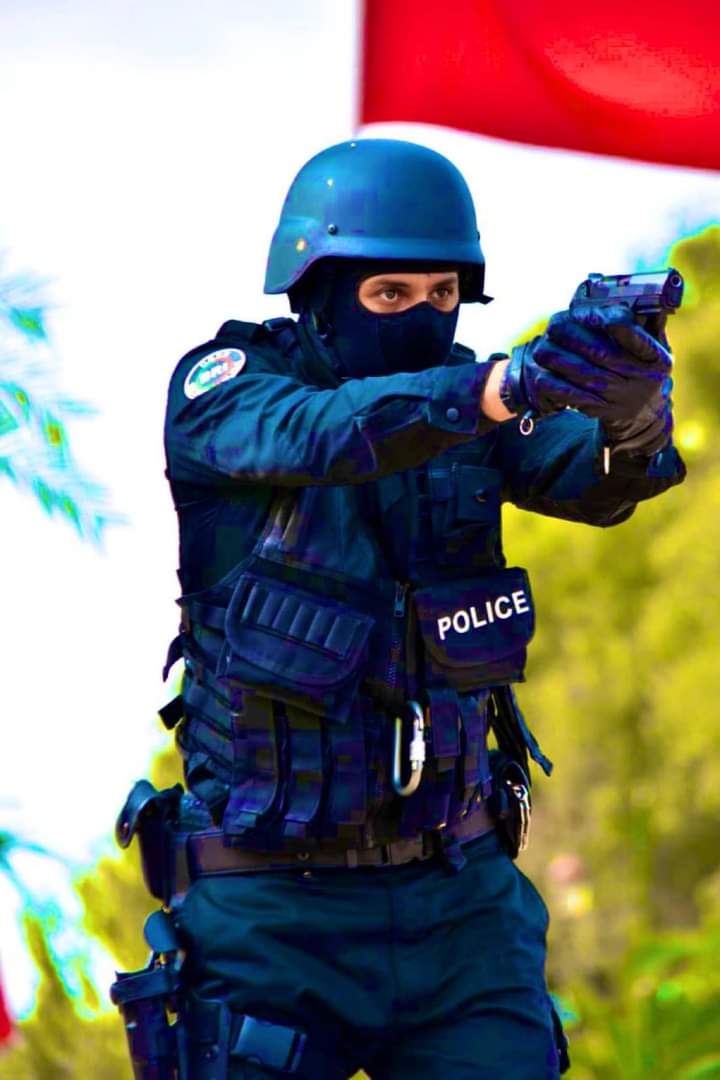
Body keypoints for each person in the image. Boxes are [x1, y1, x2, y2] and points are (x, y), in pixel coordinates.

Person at [151, 139, 685, 1078]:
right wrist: (502, 386)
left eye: (442, 294)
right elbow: (320, 432)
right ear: (318, 294)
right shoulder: (226, 389)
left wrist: (630, 417)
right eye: (389, 294)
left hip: (460, 905)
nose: (422, 315)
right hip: (270, 913)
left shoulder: (480, 397)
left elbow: (593, 480)